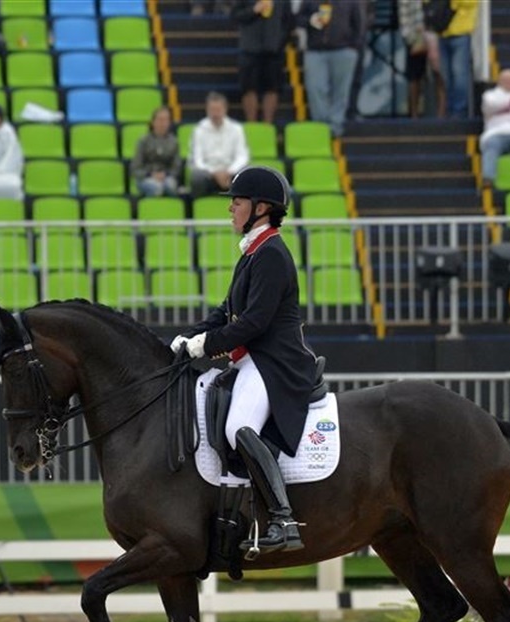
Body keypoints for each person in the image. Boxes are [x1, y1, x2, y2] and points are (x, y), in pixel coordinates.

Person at [170, 166, 317, 555]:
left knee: (238, 426)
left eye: (237, 202)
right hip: (254, 359)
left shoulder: (272, 254)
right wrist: (189, 337)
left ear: (261, 208)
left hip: (274, 363)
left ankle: (284, 518)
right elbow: (226, 311)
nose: (230, 209)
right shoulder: (254, 252)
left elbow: (253, 323)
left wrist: (205, 346)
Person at [295, 0, 365, 137]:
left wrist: (353, 47)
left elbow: (359, 23)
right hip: (315, 50)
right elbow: (298, 19)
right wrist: (311, 20)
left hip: (343, 49)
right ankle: (321, 125)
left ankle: (335, 125)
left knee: (341, 90)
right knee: (315, 88)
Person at [232, 0, 293, 125]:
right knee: (249, 88)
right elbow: (235, 16)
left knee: (272, 88)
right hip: (250, 49)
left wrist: (279, 42)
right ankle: (252, 126)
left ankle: (267, 126)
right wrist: (254, 10)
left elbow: (289, 22)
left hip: (273, 50)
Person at [188, 92, 251, 197]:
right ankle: (199, 205)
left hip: (231, 173)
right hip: (208, 174)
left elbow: (242, 156)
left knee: (247, 174)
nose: (215, 113)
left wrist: (229, 172)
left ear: (225, 109)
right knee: (196, 177)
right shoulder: (199, 130)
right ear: (207, 110)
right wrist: (215, 173)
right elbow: (197, 160)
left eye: (218, 110)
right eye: (212, 110)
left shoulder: (236, 129)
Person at [397, 0, 444, 119]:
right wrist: (411, 40)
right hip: (416, 36)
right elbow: (404, 19)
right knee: (414, 77)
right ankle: (414, 115)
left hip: (436, 33)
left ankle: (441, 115)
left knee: (439, 74)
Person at [130, 106, 182, 197]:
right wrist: (151, 174)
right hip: (146, 177)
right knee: (157, 188)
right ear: (153, 122)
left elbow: (176, 167)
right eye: (160, 120)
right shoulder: (143, 141)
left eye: (166, 120)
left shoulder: (174, 142)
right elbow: (136, 167)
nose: (163, 123)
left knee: (171, 186)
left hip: (166, 176)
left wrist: (165, 174)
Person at [439, 0, 478, 118]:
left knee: (459, 74)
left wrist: (452, 3)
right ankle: (450, 109)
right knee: (446, 75)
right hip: (442, 32)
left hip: (461, 32)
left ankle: (459, 111)